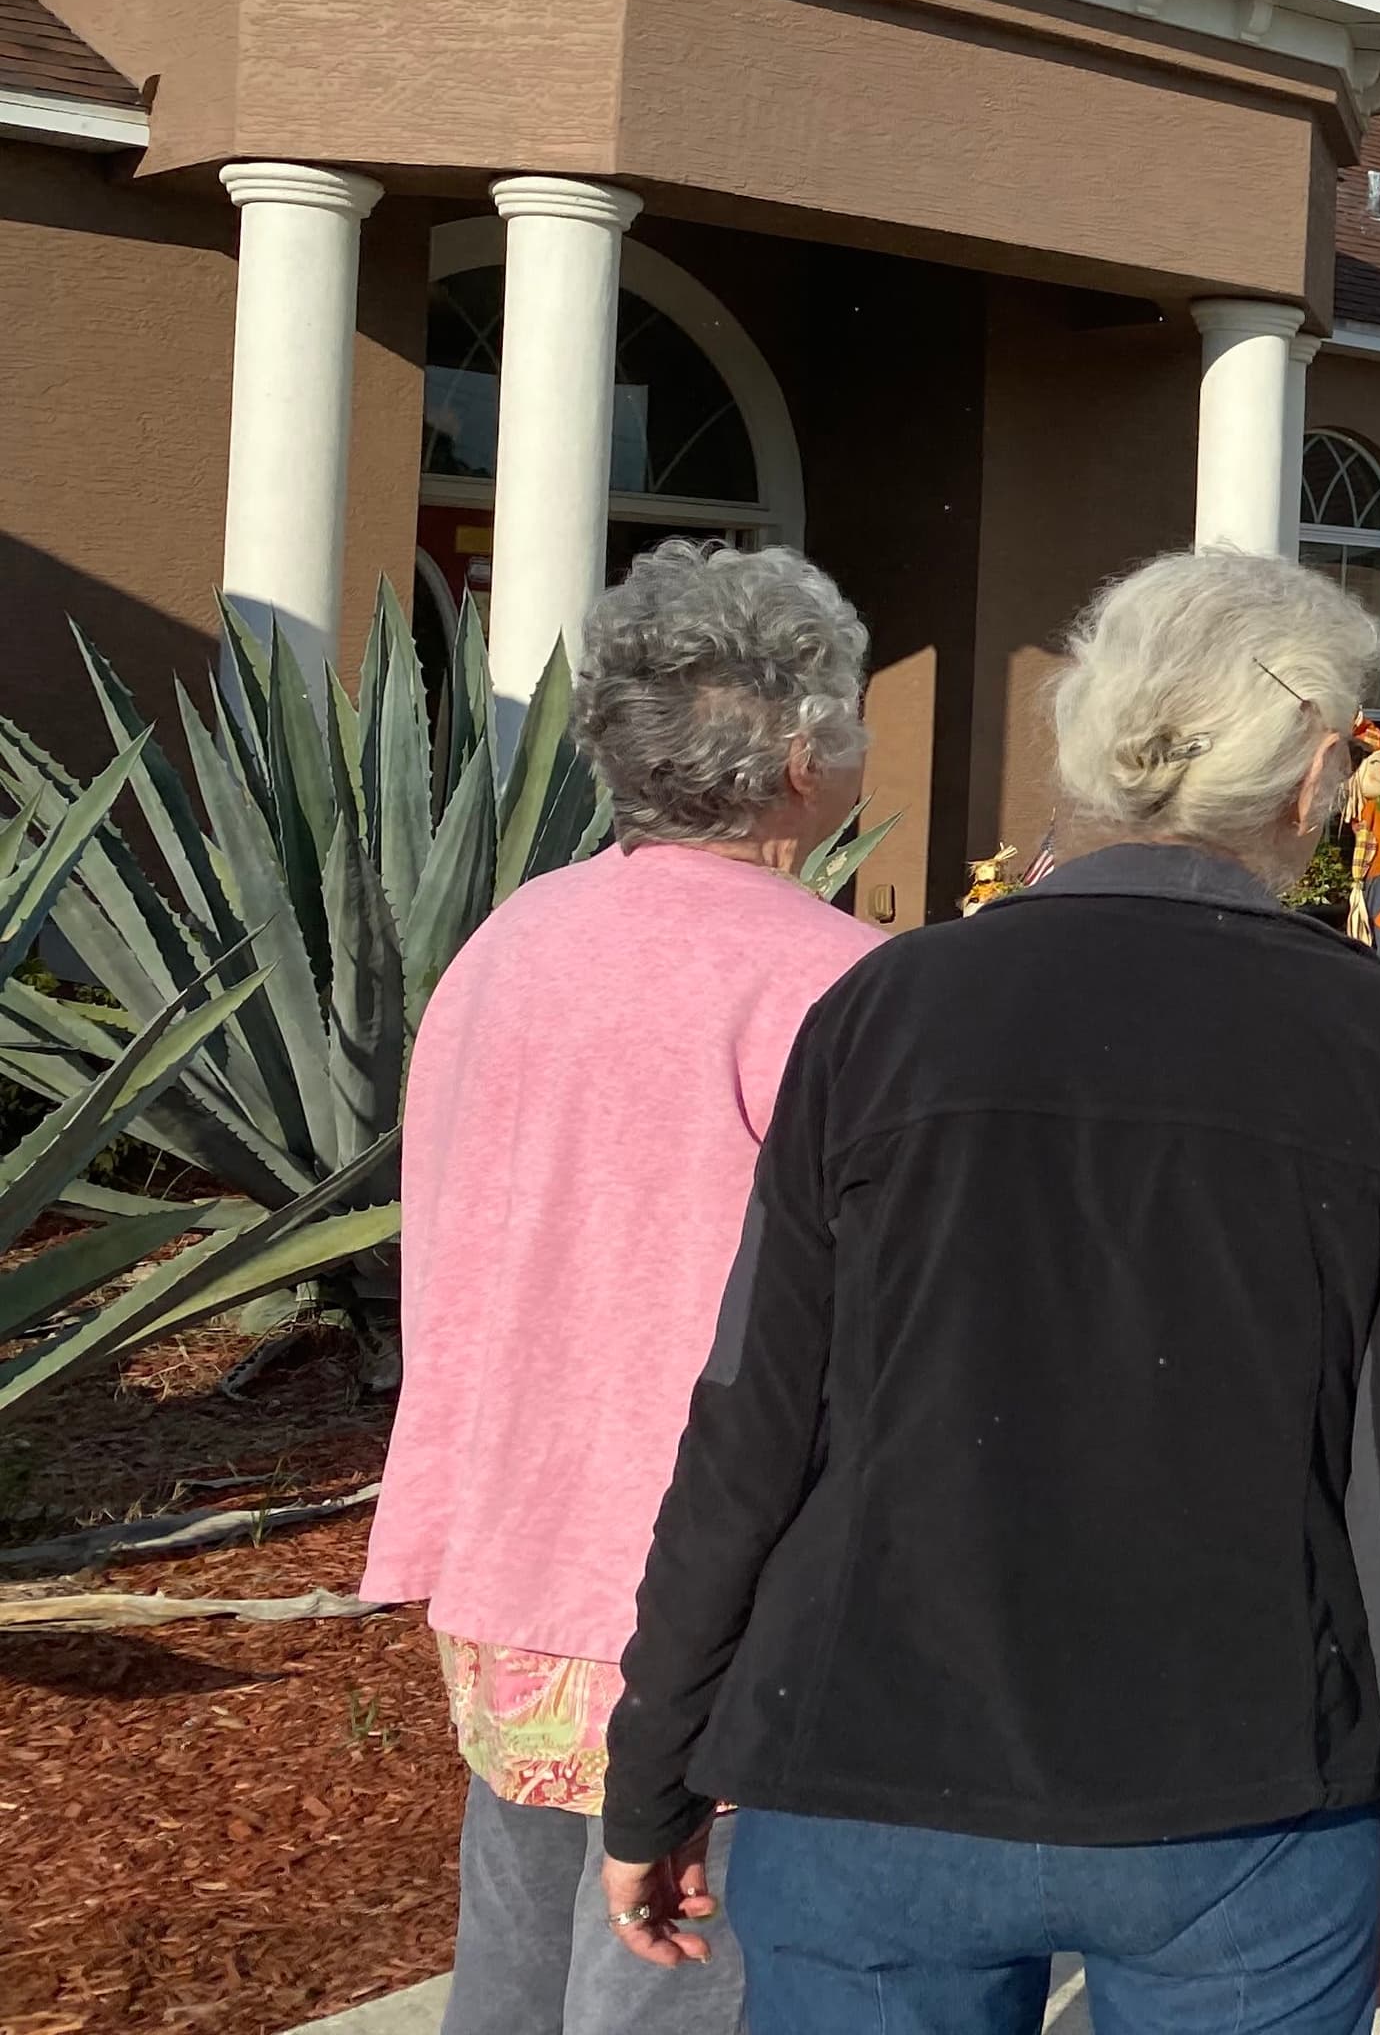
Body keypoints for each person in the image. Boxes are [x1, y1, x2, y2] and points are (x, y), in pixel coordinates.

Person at [598, 547, 1380, 2035]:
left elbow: (750, 1423)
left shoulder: (882, 1009)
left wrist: (654, 1771)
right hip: (1243, 1806)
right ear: (1299, 790)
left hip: (864, 1785)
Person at [363, 539, 880, 2034]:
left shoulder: (506, 943)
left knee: (517, 1958)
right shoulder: (839, 986)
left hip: (507, 1561)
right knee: (675, 1974)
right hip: (712, 1588)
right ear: (800, 753)